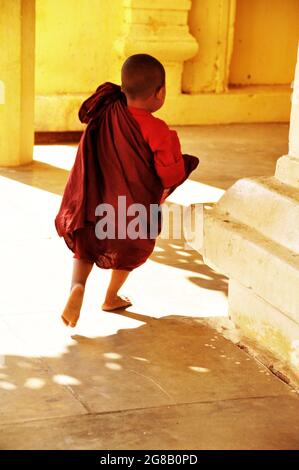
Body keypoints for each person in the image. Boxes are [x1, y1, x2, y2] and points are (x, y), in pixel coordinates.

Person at [55, 53, 199, 327]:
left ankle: (78, 287)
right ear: (161, 92)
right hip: (131, 207)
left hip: (95, 200)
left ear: (124, 89)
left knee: (86, 246)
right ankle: (111, 296)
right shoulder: (158, 131)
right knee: (128, 248)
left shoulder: (108, 112)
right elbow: (171, 174)